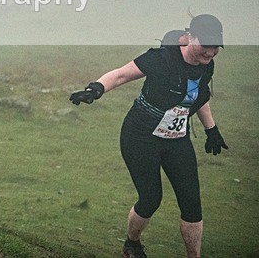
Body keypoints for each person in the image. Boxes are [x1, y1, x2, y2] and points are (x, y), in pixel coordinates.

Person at [70, 14, 229, 258]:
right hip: (140, 137)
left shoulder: (206, 64)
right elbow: (122, 74)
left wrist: (212, 130)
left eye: (215, 48)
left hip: (176, 139)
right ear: (189, 38)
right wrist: (96, 89)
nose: (210, 53)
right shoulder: (161, 58)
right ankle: (132, 244)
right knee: (151, 198)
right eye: (205, 46)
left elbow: (198, 96)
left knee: (192, 204)